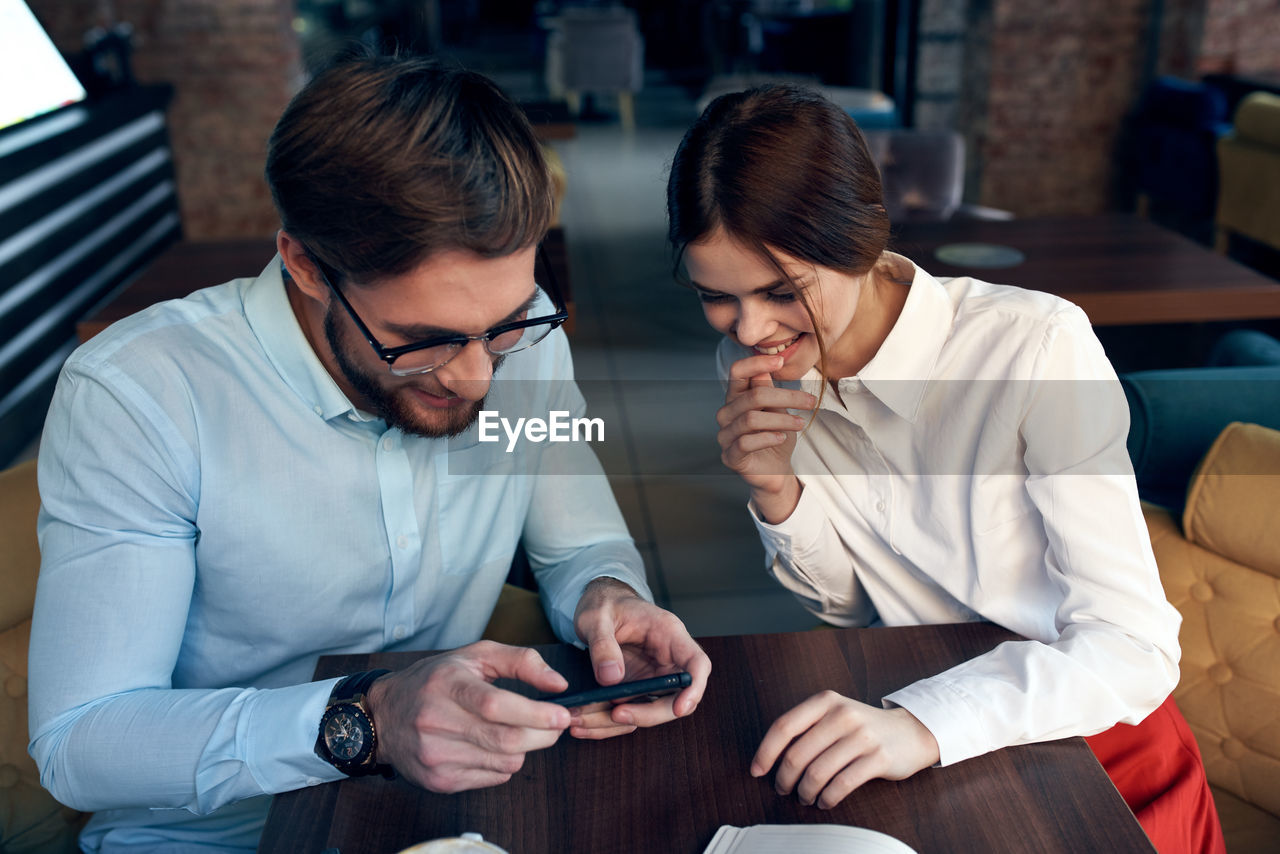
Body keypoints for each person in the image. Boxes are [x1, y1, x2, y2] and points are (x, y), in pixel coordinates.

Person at [28, 53, 709, 852]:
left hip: (457, 816)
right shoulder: (142, 394)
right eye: (421, 343)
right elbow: (82, 743)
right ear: (306, 265)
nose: (477, 374)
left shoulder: (524, 341)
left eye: (505, 322)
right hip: (220, 838)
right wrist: (368, 719)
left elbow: (582, 540)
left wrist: (607, 598)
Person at [665, 84, 1222, 853]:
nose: (751, 329)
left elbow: (1134, 649)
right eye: (716, 298)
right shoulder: (756, 361)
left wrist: (925, 724)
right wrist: (777, 490)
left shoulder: (1035, 348)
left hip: (1097, 749)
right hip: (922, 735)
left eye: (781, 291)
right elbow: (848, 610)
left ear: (857, 243)